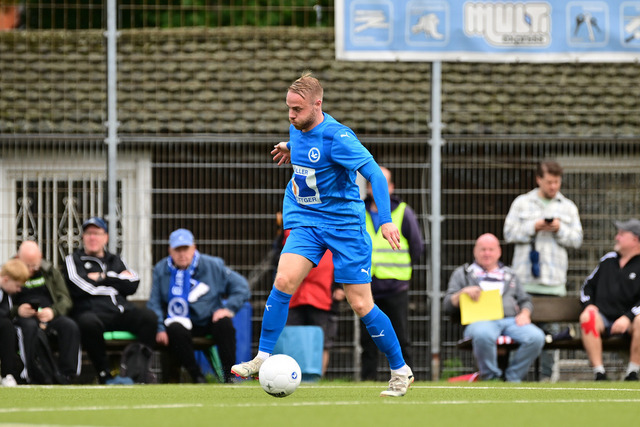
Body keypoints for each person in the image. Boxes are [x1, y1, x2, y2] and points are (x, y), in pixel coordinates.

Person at [231, 71, 413, 397]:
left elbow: (375, 174)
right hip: (308, 220)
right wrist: (291, 147)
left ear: (317, 104)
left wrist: (385, 221)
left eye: (297, 109)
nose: (290, 115)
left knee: (361, 304)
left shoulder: (338, 137)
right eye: (288, 108)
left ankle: (400, 371)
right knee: (283, 281)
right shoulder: (297, 128)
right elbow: (307, 147)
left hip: (345, 226)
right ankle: (262, 357)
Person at [503, 159, 583, 380]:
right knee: (519, 334)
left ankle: (549, 381)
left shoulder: (568, 207)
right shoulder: (522, 203)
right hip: (524, 284)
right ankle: (514, 380)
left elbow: (577, 239)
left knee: (552, 338)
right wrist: (533, 227)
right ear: (539, 179)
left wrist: (559, 229)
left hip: (553, 285)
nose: (553, 186)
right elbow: (508, 233)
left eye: (557, 182)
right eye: (549, 182)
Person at [62, 217, 158, 385]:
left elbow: (133, 283)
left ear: (105, 237)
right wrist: (117, 282)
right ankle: (104, 375)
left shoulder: (116, 260)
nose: (93, 237)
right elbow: (81, 287)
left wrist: (103, 277)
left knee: (149, 317)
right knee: (87, 323)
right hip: (92, 313)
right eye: (89, 233)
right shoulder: (74, 260)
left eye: (97, 233)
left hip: (120, 311)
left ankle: (136, 374)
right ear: (83, 237)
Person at [148, 228, 250, 383]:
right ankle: (197, 376)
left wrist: (228, 309)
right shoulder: (161, 269)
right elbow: (154, 302)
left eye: (186, 249)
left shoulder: (213, 265)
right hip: (177, 322)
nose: (182, 254)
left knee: (225, 324)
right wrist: (160, 328)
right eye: (177, 250)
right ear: (170, 251)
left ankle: (229, 376)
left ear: (194, 248)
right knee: (174, 329)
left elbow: (242, 287)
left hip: (208, 320)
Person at [443, 233, 545, 382]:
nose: (487, 253)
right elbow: (447, 304)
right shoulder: (463, 274)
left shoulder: (510, 274)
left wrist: (525, 313)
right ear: (475, 251)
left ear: (499, 252)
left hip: (510, 321)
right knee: (483, 334)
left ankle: (513, 378)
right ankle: (491, 377)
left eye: (491, 249)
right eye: (483, 249)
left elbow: (525, 300)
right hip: (480, 321)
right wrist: (462, 293)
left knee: (536, 337)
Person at [361, 166, 424, 381]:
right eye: (372, 183)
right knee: (367, 339)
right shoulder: (359, 210)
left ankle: (407, 377)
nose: (376, 187)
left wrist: (400, 270)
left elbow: (417, 247)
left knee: (401, 335)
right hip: (367, 285)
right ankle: (367, 381)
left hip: (395, 286)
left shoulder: (403, 212)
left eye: (383, 182)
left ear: (391, 187)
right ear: (368, 187)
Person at [579, 219, 640, 381]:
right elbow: (587, 287)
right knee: (587, 317)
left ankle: (633, 373)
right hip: (603, 318)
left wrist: (628, 317)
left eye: (621, 234)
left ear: (635, 240)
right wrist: (589, 305)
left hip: (632, 321)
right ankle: (599, 373)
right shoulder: (608, 260)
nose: (616, 237)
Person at [14, 241, 81, 383]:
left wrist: (53, 311)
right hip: (24, 319)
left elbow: (65, 299)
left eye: (34, 265)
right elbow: (4, 302)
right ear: (18, 258)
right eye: (26, 265)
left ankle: (68, 375)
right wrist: (17, 310)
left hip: (49, 316)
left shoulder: (50, 271)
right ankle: (32, 375)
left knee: (70, 326)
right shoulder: (10, 272)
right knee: (29, 328)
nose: (30, 269)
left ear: (40, 257)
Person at [281, 228, 344, 377]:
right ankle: (288, 376)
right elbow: (278, 260)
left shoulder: (334, 227)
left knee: (323, 341)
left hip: (323, 296)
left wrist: (339, 286)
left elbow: (342, 258)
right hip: (293, 295)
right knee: (290, 338)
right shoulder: (289, 229)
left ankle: (318, 377)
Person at [0, 258, 30, 387]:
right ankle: (7, 374)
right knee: (6, 326)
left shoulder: (6, 294)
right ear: (6, 279)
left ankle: (7, 374)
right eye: (17, 285)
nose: (19, 290)